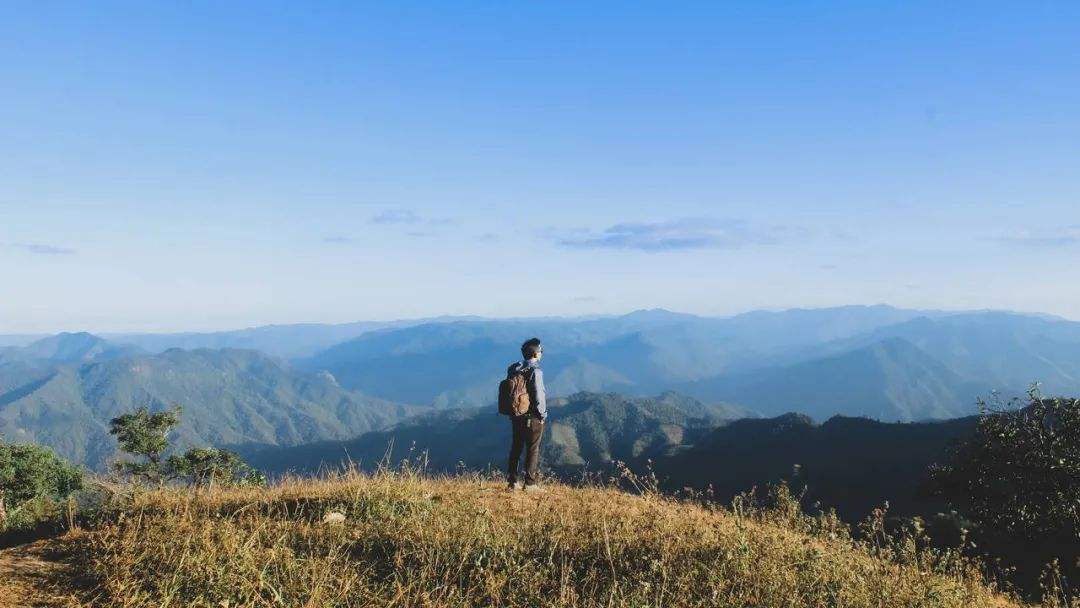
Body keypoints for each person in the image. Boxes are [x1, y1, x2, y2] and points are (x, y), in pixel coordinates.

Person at [507, 337, 547, 491]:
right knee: (532, 448)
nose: (542, 353)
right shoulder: (535, 371)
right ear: (536, 354)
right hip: (532, 417)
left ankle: (513, 481)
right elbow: (539, 396)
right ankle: (530, 483)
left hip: (516, 415)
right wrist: (542, 415)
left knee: (516, 446)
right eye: (541, 351)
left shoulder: (513, 369)